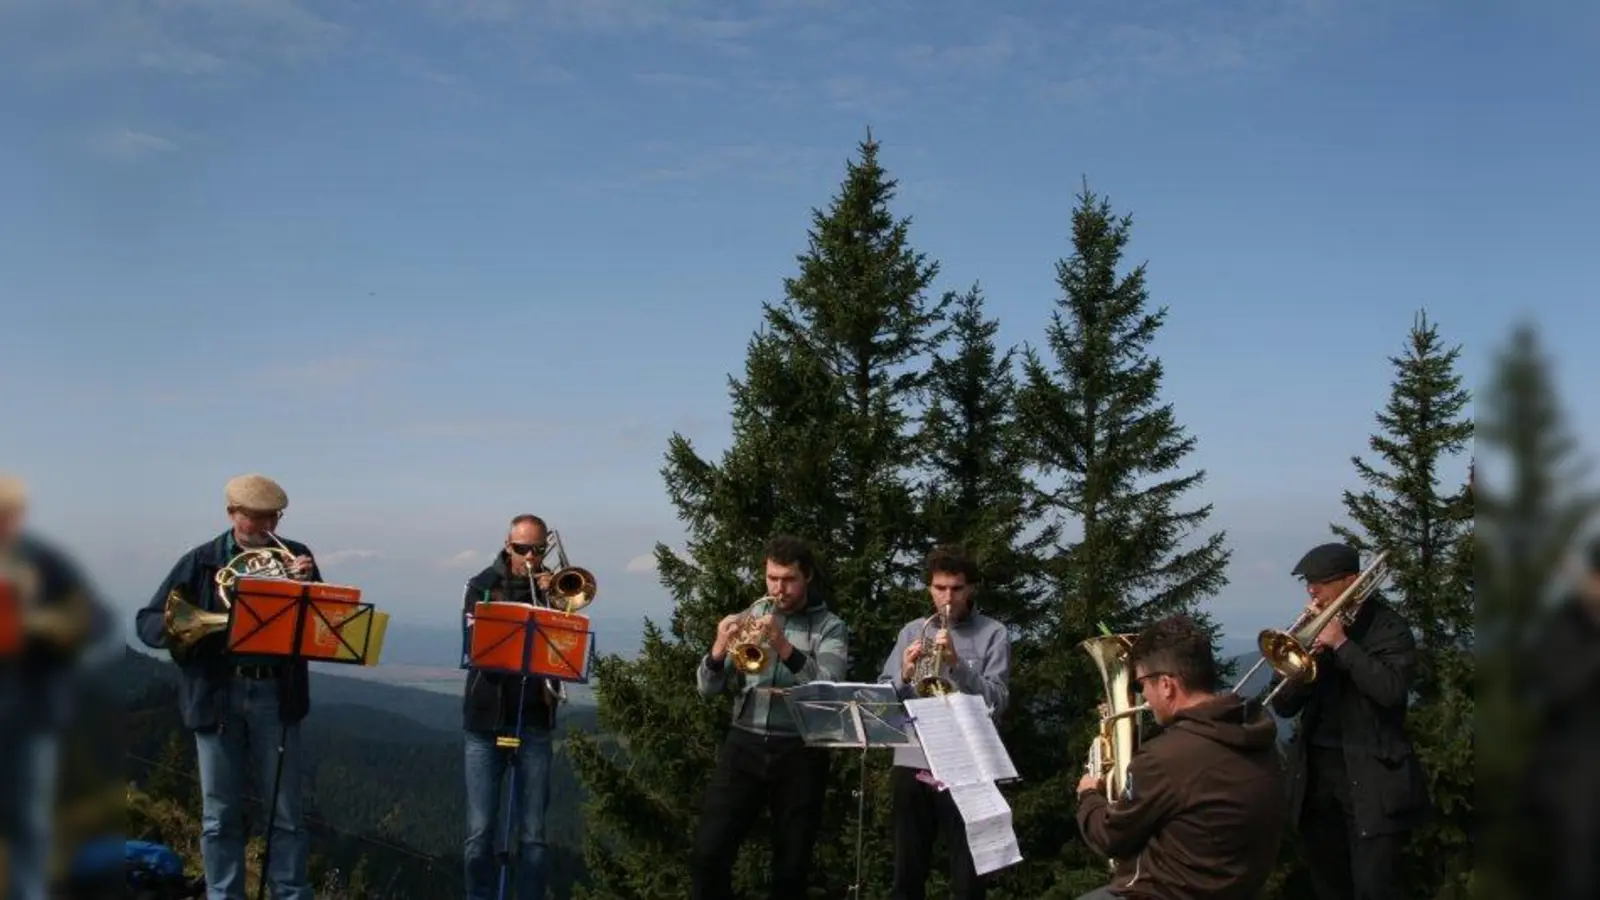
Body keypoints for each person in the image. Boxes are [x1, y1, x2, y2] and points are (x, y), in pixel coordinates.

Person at [134, 474, 320, 900]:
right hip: (219, 695)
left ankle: (291, 893)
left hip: (277, 693)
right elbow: (147, 621)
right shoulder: (200, 562)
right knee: (220, 815)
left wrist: (309, 585)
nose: (267, 526)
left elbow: (320, 625)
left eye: (273, 516)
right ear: (232, 514)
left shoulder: (297, 557)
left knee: (286, 812)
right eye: (256, 518)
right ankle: (222, 895)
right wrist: (190, 630)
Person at [1075, 614, 1287, 899]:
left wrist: (1089, 795)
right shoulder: (1255, 734)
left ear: (1166, 685)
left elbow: (1110, 838)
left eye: (1141, 685)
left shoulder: (1164, 758)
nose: (1143, 697)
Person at [690, 534, 850, 900]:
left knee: (791, 866)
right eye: (772, 578)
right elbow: (707, 689)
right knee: (708, 854)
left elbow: (828, 687)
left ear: (807, 576)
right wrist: (717, 649)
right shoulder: (753, 614)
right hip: (743, 743)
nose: (779, 588)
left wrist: (783, 646)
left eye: (788, 579)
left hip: (800, 750)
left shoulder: (830, 626)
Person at [1269, 542, 1432, 900]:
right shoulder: (1312, 631)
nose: (1312, 590)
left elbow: (1391, 691)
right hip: (1317, 783)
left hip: (1373, 779)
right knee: (1328, 885)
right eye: (1309, 582)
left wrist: (1343, 646)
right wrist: (1302, 657)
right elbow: (1281, 704)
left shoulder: (1388, 628)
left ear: (1352, 582)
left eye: (1322, 582)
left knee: (1375, 887)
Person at [0, 474, 115, 900]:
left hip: (32, 712)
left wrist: (52, 628)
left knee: (30, 822)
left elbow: (98, 619)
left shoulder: (44, 560)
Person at [878, 544, 1010, 900]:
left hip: (969, 763)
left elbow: (997, 702)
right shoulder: (911, 631)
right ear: (929, 589)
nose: (947, 597)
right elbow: (881, 699)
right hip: (913, 759)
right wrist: (904, 674)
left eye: (956, 588)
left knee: (968, 880)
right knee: (907, 873)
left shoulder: (993, 633)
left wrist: (957, 665)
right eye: (940, 588)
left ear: (970, 589)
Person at [460, 514, 564, 900]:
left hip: (534, 717)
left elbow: (565, 648)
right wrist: (525, 595)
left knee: (534, 834)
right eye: (522, 549)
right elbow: (476, 645)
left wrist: (552, 599)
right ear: (508, 546)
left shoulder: (555, 589)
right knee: (480, 831)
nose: (530, 557)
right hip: (485, 719)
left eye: (538, 550)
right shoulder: (481, 585)